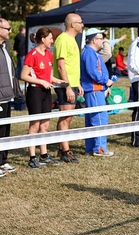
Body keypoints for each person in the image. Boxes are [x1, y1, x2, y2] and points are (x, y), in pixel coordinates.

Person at [20, 27, 64, 169]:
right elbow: (23, 75)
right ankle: (32, 157)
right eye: (50, 38)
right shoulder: (32, 54)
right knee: (34, 125)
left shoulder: (48, 54)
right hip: (35, 92)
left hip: (46, 92)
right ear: (43, 39)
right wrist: (41, 82)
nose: (52, 41)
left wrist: (56, 80)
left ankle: (44, 155)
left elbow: (47, 75)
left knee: (45, 125)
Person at [53, 13, 84, 163]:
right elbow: (61, 66)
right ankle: (65, 150)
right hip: (64, 85)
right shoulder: (63, 39)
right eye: (80, 22)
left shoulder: (72, 40)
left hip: (72, 84)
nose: (82, 25)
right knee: (65, 117)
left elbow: (72, 66)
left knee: (68, 117)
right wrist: (67, 87)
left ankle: (62, 147)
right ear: (73, 24)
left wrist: (77, 84)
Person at [81, 28, 114, 157]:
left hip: (95, 90)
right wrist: (106, 81)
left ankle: (91, 148)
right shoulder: (90, 53)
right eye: (101, 38)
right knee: (99, 119)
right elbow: (93, 72)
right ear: (94, 40)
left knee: (91, 120)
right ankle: (99, 148)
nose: (103, 41)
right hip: (94, 90)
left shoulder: (91, 52)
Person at [0, 18, 20, 176]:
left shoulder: (5, 47)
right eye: (8, 28)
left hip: (7, 96)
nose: (10, 31)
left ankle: (3, 161)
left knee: (6, 130)